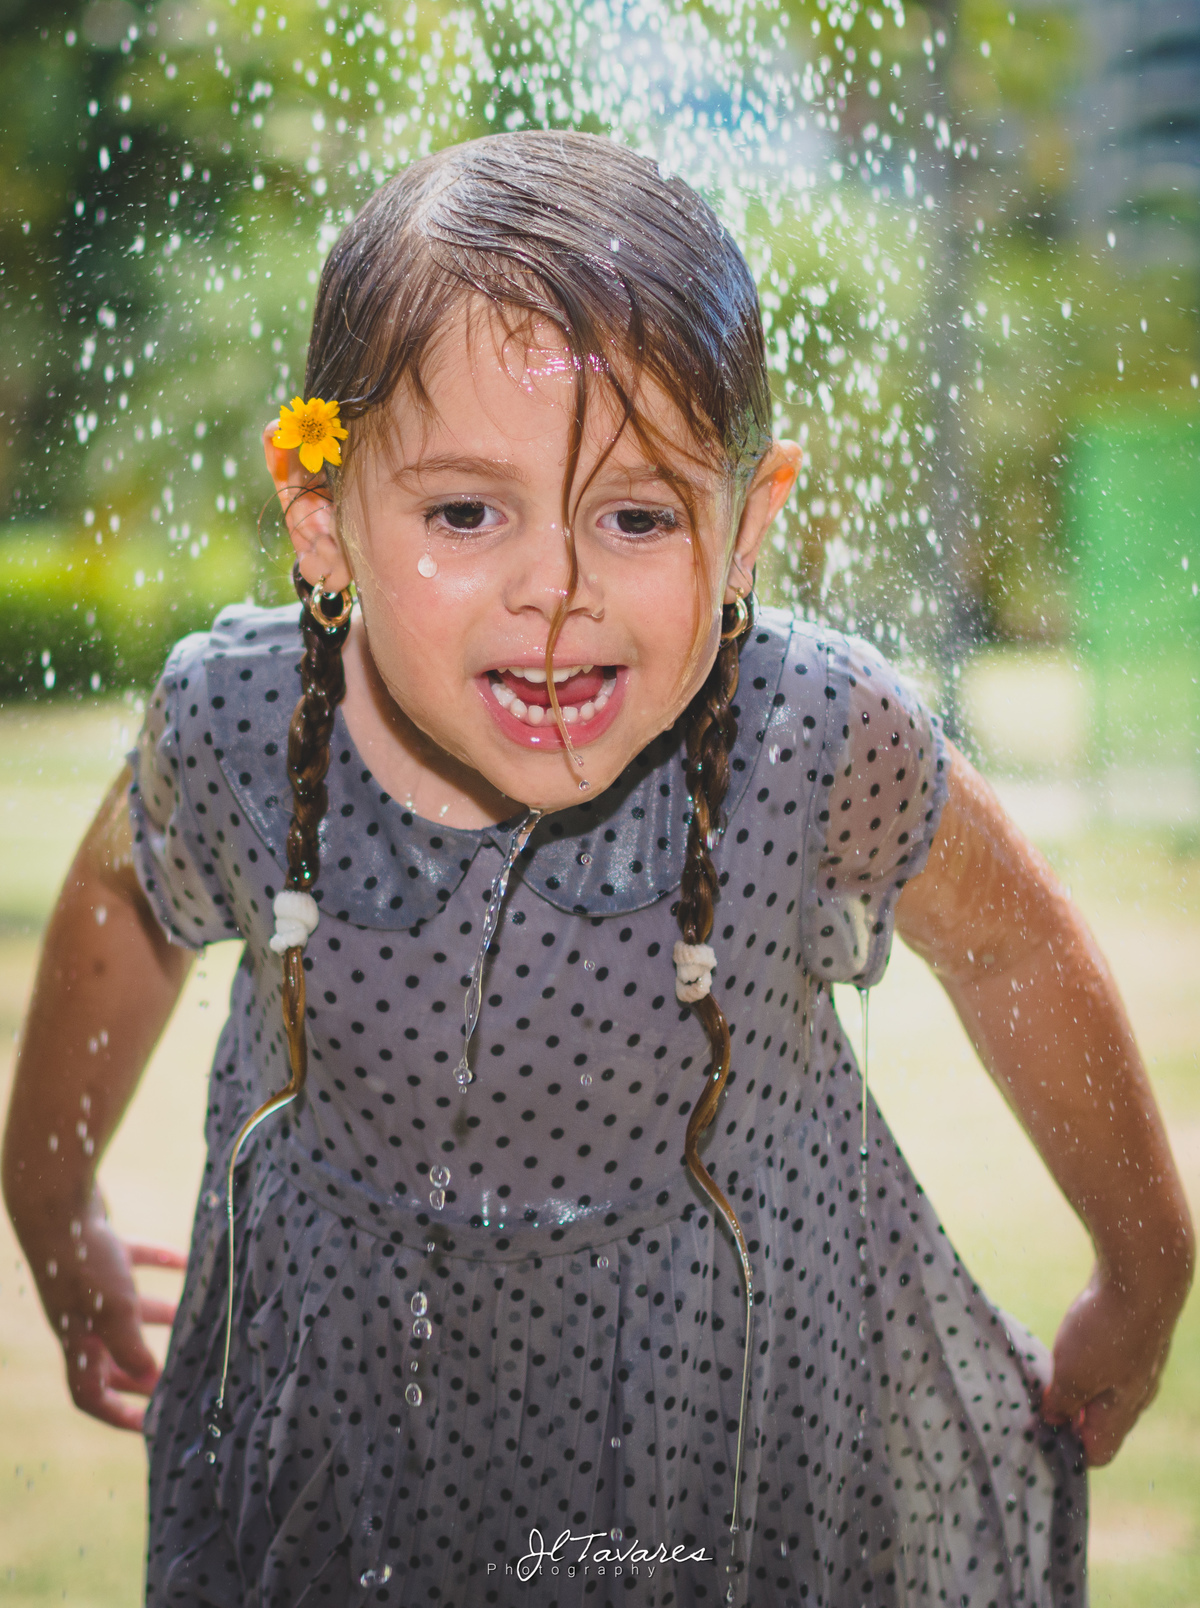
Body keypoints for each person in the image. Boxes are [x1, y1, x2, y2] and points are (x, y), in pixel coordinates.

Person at [3, 131, 1192, 1608]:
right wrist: (48, 1202)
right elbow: (127, 900)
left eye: (635, 516)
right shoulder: (245, 726)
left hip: (726, 1443)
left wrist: (1144, 1269)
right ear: (324, 516)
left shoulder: (804, 737)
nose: (552, 584)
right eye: (462, 513)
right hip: (364, 1449)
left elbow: (1011, 947)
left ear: (748, 525)